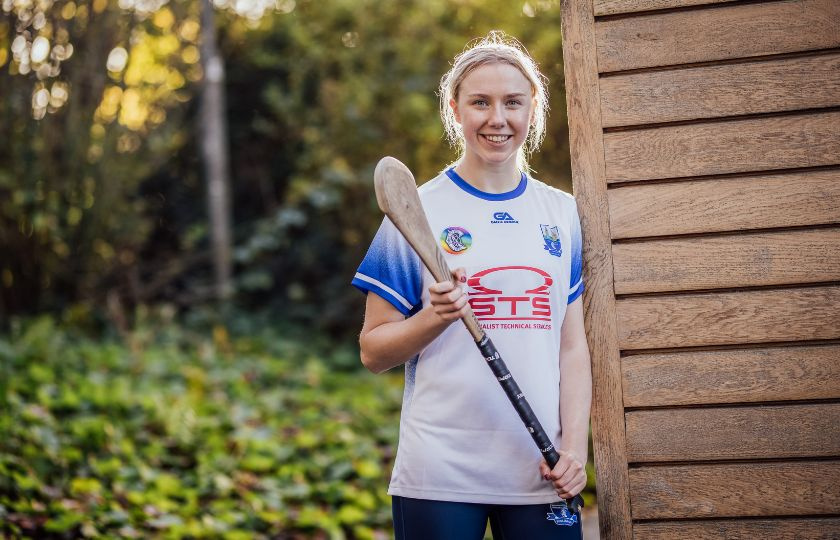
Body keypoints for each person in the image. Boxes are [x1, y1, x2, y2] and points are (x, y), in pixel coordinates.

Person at [352, 31, 592, 540]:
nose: (497, 118)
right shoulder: (417, 212)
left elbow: (572, 348)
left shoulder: (563, 214)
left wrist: (575, 447)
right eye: (480, 102)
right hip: (439, 473)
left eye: (512, 102)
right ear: (456, 111)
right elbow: (374, 352)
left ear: (533, 112)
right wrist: (434, 318)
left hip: (541, 469)